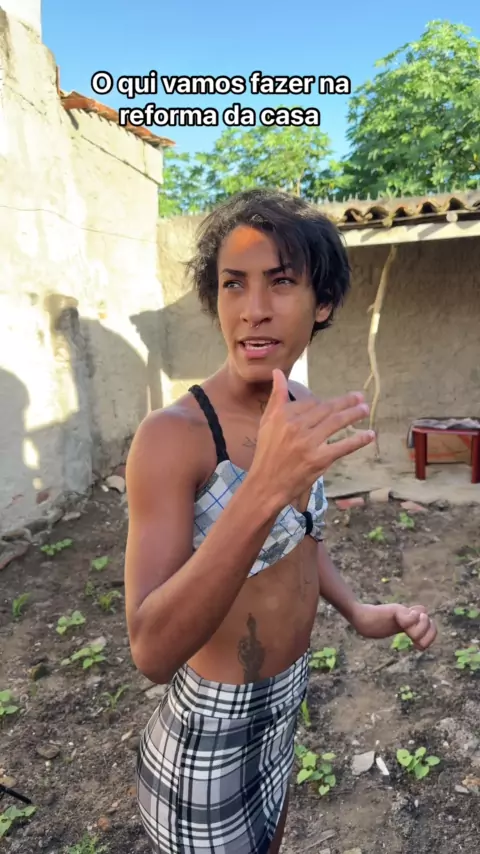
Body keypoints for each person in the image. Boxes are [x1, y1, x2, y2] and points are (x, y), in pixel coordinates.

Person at [124, 189, 437, 854]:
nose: (253, 308)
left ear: (322, 302)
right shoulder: (174, 437)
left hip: (285, 710)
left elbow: (301, 539)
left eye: (282, 282)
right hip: (207, 745)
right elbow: (150, 651)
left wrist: (357, 610)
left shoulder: (297, 406)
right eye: (233, 284)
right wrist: (262, 487)